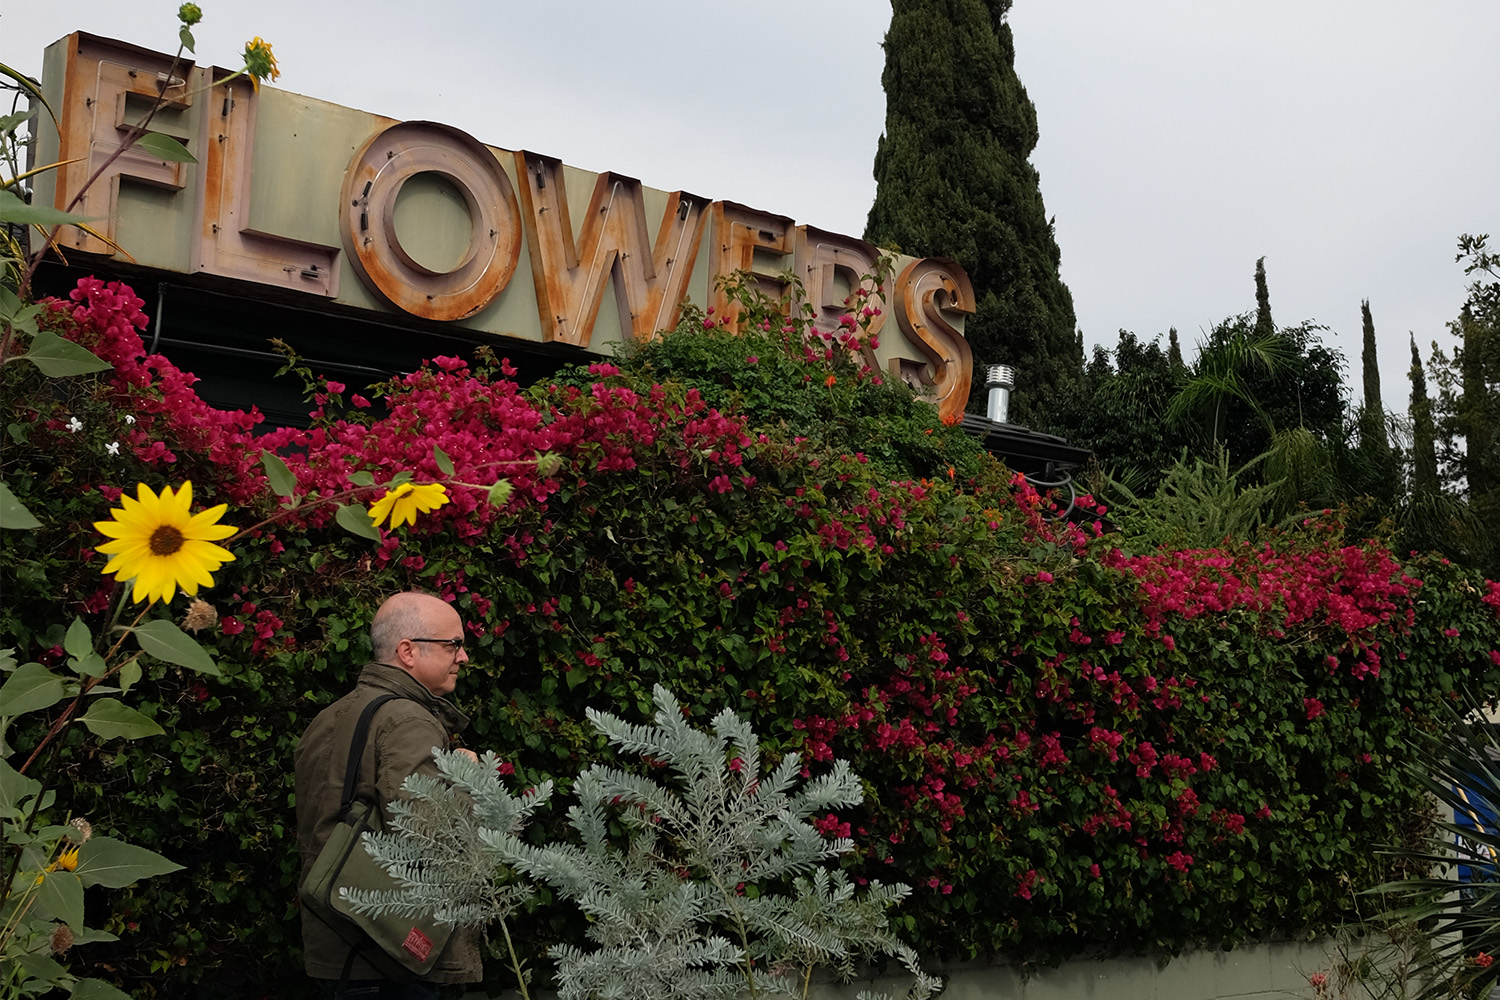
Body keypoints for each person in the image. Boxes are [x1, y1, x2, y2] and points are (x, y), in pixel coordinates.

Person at [295, 592, 482, 999]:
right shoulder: (408, 720)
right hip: (391, 951)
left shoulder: (331, 716)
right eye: (453, 644)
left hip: (338, 939)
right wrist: (468, 779)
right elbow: (425, 835)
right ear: (408, 651)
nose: (463, 657)